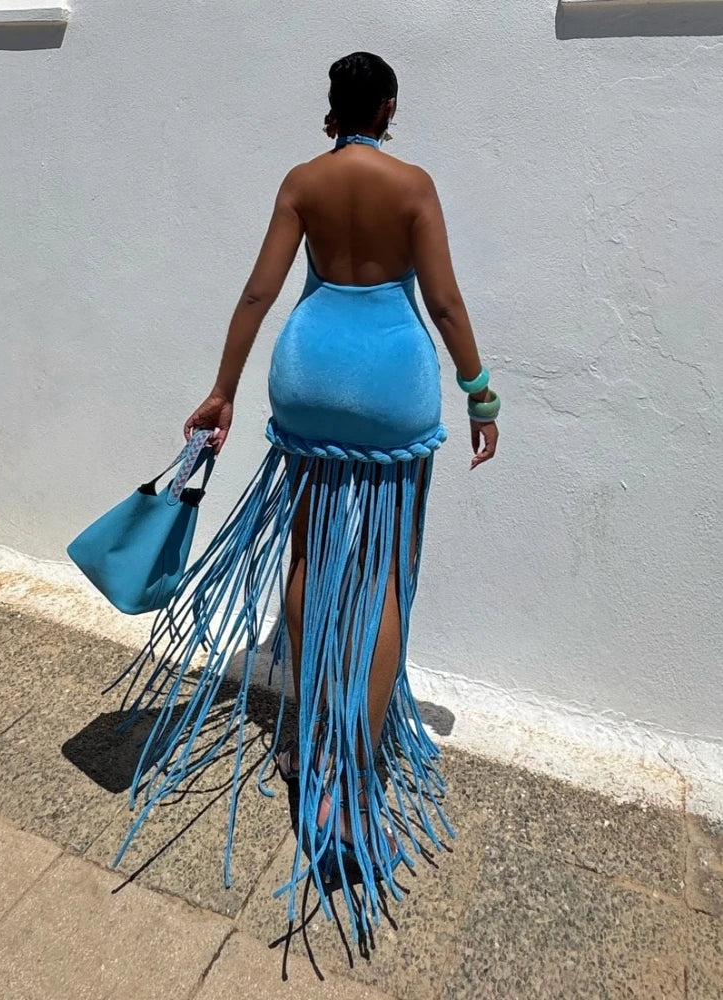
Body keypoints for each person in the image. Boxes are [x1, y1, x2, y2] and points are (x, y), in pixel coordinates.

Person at [109, 51, 499, 942]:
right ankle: (352, 773)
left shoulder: (301, 180)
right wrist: (480, 392)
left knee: (307, 555)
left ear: (333, 110)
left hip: (309, 371)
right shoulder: (413, 183)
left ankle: (309, 740)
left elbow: (260, 289)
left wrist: (223, 388)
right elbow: (440, 299)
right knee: (385, 575)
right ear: (390, 106)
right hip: (391, 379)